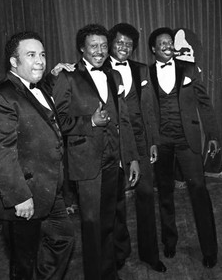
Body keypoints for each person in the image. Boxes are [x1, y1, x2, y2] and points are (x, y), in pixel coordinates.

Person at [0, 31, 74, 279]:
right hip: (24, 196)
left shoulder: (37, 90)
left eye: (42, 54)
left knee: (63, 238)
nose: (40, 60)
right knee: (23, 264)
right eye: (31, 55)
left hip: (49, 190)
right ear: (13, 61)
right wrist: (20, 198)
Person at [53, 23, 140, 280]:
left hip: (114, 160)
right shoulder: (66, 77)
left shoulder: (114, 76)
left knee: (109, 221)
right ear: (82, 48)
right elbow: (57, 121)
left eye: (104, 46)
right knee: (92, 226)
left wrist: (132, 157)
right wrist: (89, 122)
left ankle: (109, 272)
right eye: (94, 46)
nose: (100, 51)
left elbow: (123, 120)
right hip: (87, 163)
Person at [147, 27, 220, 269]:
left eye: (170, 42)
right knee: (165, 194)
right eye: (162, 43)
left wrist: (213, 135)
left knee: (199, 191)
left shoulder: (188, 69)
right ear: (153, 49)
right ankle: (169, 242)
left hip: (188, 141)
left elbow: (205, 104)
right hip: (161, 143)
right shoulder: (145, 73)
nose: (168, 46)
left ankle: (209, 249)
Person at [104, 23, 166, 273]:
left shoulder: (141, 70)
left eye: (129, 44)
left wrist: (152, 141)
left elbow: (149, 108)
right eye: (119, 42)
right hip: (114, 144)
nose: (124, 48)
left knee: (146, 197)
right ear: (110, 43)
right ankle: (120, 253)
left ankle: (150, 254)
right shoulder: (99, 69)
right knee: (117, 202)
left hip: (141, 141)